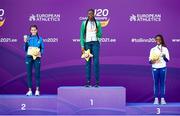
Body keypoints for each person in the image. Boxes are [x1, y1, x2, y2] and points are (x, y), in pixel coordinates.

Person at [80, 9, 102, 87]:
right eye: (89, 14)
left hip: (96, 44)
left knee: (96, 63)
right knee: (88, 63)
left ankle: (97, 83)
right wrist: (82, 46)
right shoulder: (84, 23)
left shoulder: (98, 23)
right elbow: (81, 35)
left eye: (91, 14)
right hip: (87, 45)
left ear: (94, 14)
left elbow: (100, 35)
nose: (90, 15)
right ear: (87, 14)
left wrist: (97, 32)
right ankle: (88, 82)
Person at [24, 25, 44, 96]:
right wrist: (26, 42)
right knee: (29, 74)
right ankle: (29, 91)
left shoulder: (40, 39)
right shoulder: (27, 38)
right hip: (29, 57)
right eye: (32, 30)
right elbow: (25, 49)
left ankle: (37, 90)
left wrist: (40, 53)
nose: (33, 31)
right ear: (30, 31)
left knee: (37, 74)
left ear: (37, 30)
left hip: (37, 58)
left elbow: (42, 48)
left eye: (34, 30)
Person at [149, 34, 170, 105]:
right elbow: (150, 61)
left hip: (162, 67)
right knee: (156, 83)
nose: (158, 40)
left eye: (159, 39)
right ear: (155, 40)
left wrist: (164, 56)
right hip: (155, 67)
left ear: (161, 40)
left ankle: (162, 99)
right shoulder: (152, 49)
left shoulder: (165, 49)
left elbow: (167, 60)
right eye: (157, 39)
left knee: (162, 83)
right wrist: (153, 61)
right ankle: (156, 99)